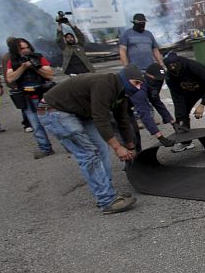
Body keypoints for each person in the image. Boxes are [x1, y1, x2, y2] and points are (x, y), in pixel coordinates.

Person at [37, 65, 141, 214]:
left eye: (140, 84)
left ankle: (108, 191)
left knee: (101, 148)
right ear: (125, 78)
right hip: (55, 111)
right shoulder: (104, 84)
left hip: (78, 112)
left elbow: (122, 119)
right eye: (136, 83)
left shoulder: (120, 92)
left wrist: (130, 147)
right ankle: (107, 200)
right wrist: (118, 148)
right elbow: (101, 119)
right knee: (88, 154)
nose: (138, 88)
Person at [5, 38, 56, 158]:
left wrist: (35, 67)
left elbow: (50, 75)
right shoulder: (12, 62)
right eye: (22, 48)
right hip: (27, 98)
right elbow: (10, 78)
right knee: (36, 125)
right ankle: (45, 148)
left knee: (53, 122)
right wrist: (23, 67)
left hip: (42, 96)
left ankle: (69, 145)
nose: (25, 50)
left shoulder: (39, 57)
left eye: (27, 47)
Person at [1, 37, 32, 132]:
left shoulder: (23, 53)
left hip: (28, 82)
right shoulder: (7, 57)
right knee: (25, 104)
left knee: (32, 101)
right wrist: (12, 85)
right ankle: (27, 124)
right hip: (18, 84)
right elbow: (7, 73)